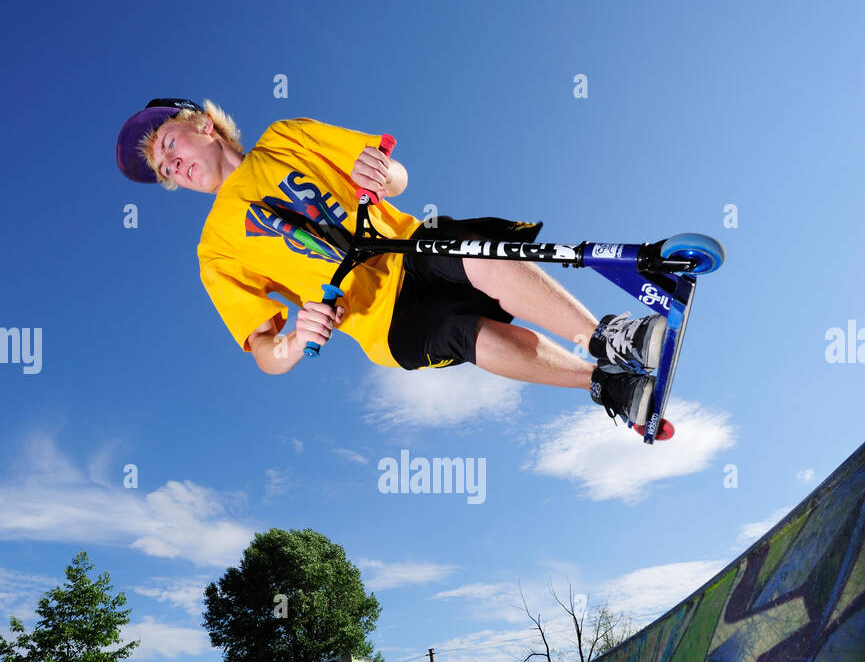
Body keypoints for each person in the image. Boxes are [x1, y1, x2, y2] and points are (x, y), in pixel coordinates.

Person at [115, 97, 666, 424]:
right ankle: (604, 383)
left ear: (203, 126)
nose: (170, 167)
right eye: (163, 172)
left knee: (471, 246)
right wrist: (291, 338)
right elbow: (263, 349)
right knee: (465, 334)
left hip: (407, 250)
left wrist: (381, 174)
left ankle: (604, 335)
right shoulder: (214, 249)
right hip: (381, 322)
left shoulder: (285, 138)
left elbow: (391, 173)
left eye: (167, 145)